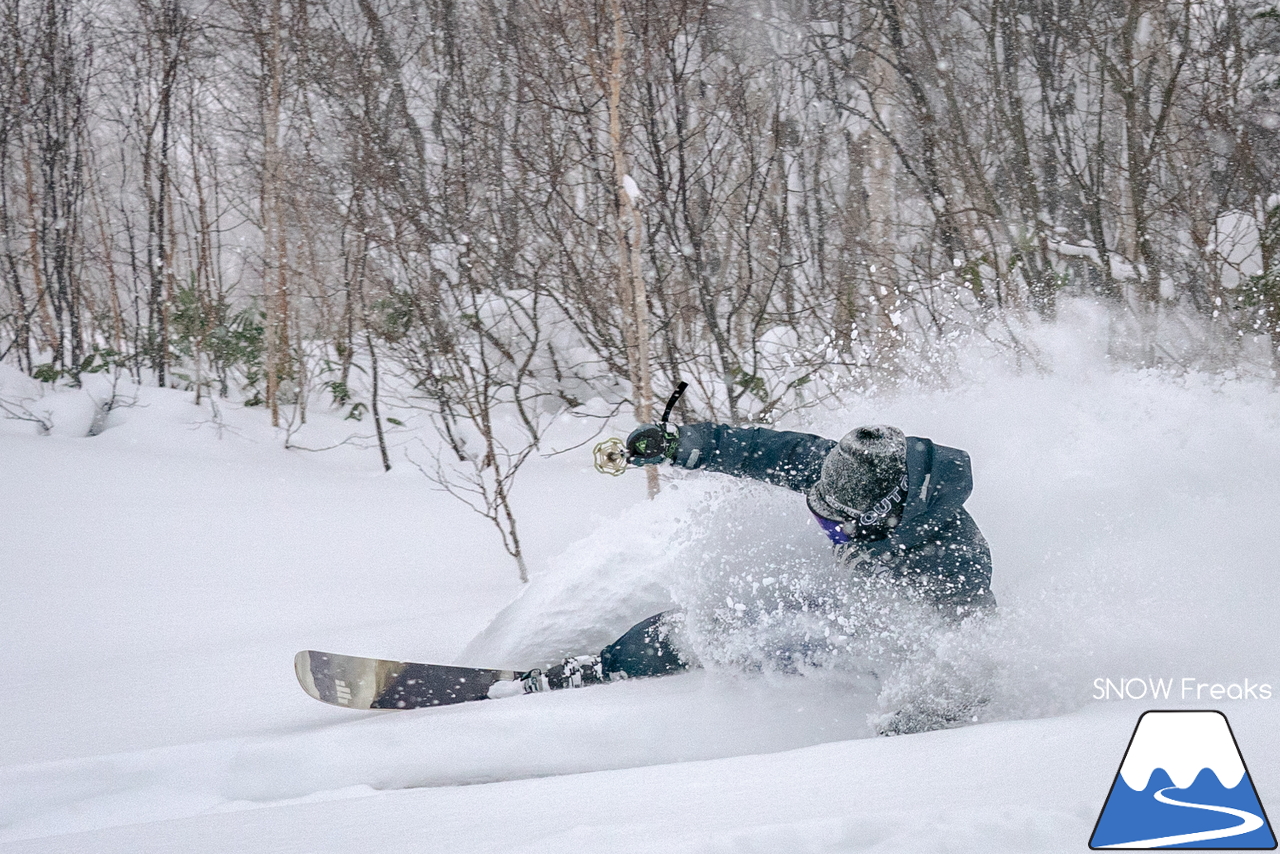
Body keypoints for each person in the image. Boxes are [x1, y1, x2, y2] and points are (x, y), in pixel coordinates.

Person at [522, 419, 995, 695]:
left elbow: (968, 653)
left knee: (772, 633)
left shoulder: (952, 562)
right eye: (821, 510)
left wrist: (926, 708)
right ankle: (608, 665)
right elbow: (759, 452)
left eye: (837, 522)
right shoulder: (854, 468)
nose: (826, 526)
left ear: (883, 513)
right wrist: (680, 446)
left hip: (874, 647)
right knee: (723, 617)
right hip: (849, 602)